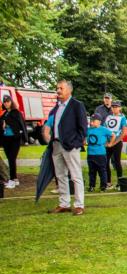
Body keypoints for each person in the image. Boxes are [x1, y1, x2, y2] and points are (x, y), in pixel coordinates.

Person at [45, 80, 88, 215]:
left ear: (69, 90)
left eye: (61, 88)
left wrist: (76, 142)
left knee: (75, 175)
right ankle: (64, 203)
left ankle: (79, 205)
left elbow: (83, 127)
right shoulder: (56, 107)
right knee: (60, 175)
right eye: (57, 88)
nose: (58, 90)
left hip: (70, 145)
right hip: (57, 144)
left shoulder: (77, 105)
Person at [1, 94, 26, 189]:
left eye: (8, 101)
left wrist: (7, 123)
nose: (6, 103)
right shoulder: (4, 114)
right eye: (5, 102)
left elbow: (19, 125)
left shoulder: (16, 112)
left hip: (15, 139)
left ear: (11, 102)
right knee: (10, 159)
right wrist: (3, 123)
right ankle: (15, 179)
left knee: (12, 158)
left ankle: (11, 180)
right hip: (6, 139)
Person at [86, 114, 113, 192]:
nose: (91, 123)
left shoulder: (103, 129)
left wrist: (110, 143)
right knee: (91, 171)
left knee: (102, 170)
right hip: (91, 153)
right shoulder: (88, 130)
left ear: (99, 122)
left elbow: (113, 135)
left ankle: (103, 186)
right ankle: (91, 186)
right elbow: (84, 137)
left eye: (93, 121)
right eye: (91, 121)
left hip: (100, 154)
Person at [104, 101, 127, 189]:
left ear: (120, 108)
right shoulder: (108, 117)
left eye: (116, 107)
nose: (114, 108)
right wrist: (107, 142)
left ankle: (119, 182)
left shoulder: (122, 118)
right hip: (108, 142)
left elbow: (124, 132)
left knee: (117, 162)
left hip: (117, 142)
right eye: (113, 107)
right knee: (105, 162)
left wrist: (114, 142)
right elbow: (105, 129)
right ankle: (108, 182)